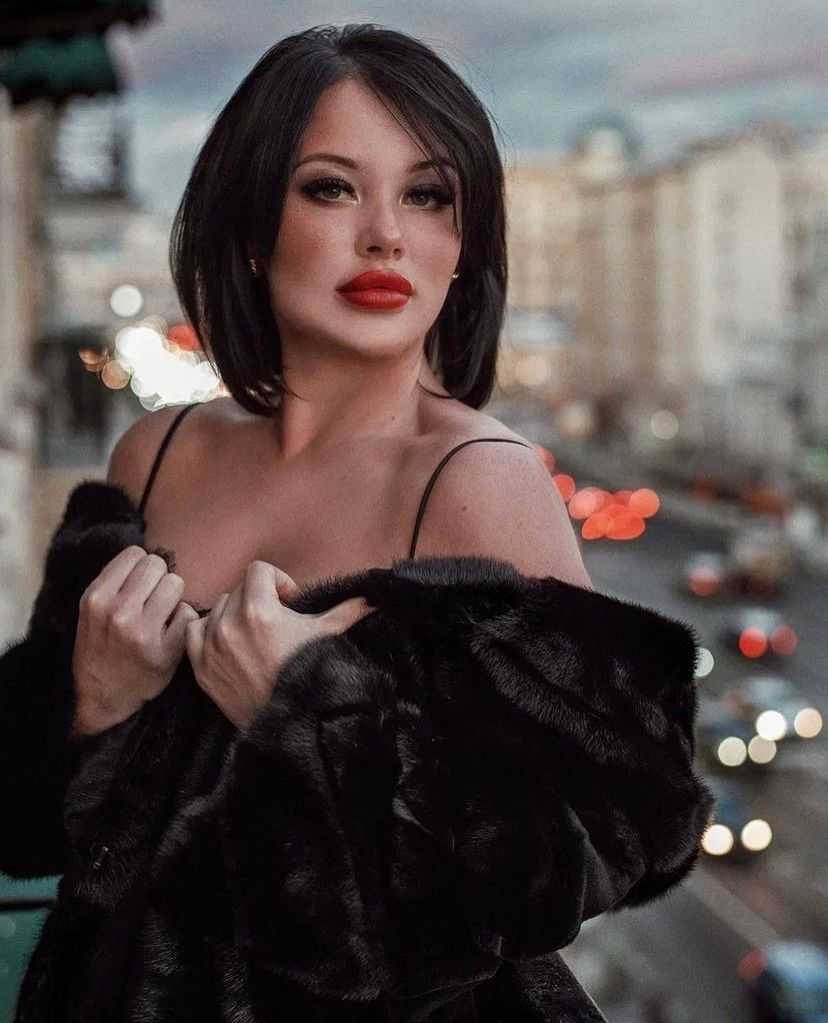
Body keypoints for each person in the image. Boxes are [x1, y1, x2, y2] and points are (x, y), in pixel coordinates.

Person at [0, 23, 714, 1023]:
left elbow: (599, 847)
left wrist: (308, 710)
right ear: (252, 226)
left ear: (464, 247)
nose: (385, 236)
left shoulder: (479, 481)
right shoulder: (154, 455)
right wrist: (92, 706)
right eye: (332, 188)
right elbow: (28, 825)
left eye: (428, 196)